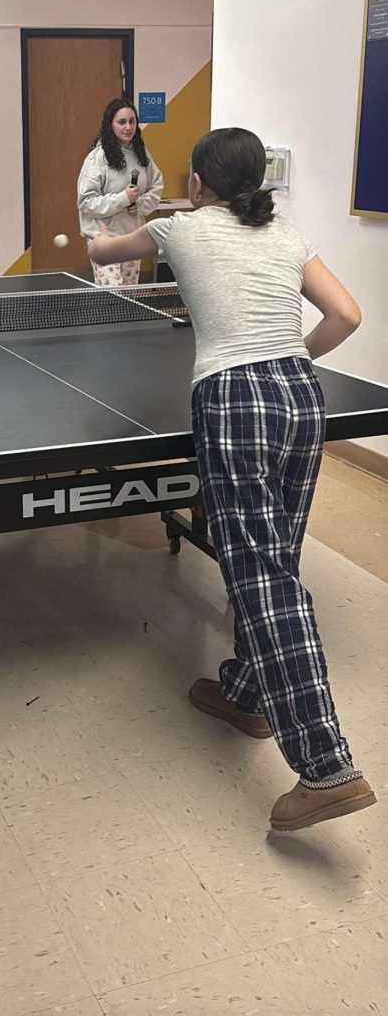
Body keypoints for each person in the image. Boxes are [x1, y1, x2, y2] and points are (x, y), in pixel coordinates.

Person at [87, 126, 375, 832]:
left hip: (234, 400)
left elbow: (100, 249)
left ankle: (325, 766)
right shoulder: (286, 231)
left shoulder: (180, 230)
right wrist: (291, 360)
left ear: (199, 184)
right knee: (271, 556)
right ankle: (246, 691)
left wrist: (112, 221)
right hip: (299, 397)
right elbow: (346, 316)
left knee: (262, 575)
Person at [78, 98, 163, 286]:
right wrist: (123, 198)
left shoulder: (142, 154)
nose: (128, 127)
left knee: (128, 299)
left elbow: (156, 188)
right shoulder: (97, 158)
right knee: (112, 298)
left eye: (132, 121)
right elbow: (86, 202)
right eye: (122, 122)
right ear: (111, 125)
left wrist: (140, 205)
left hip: (132, 239)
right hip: (104, 241)